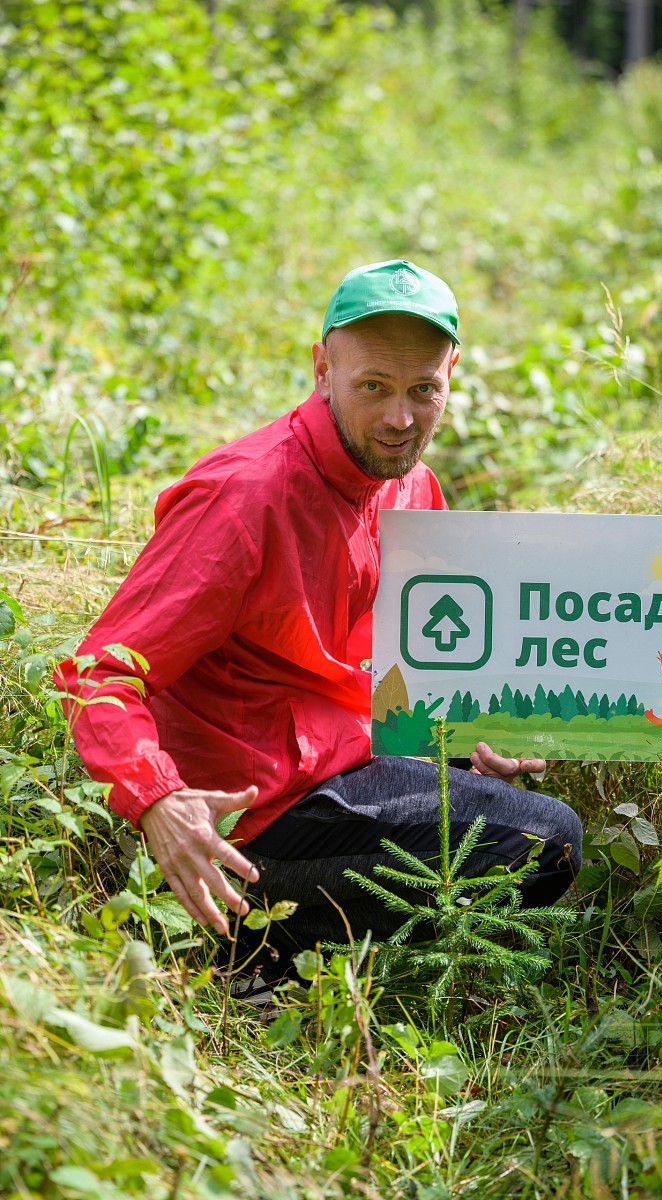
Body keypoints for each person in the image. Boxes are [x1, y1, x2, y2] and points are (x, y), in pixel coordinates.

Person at [58, 259, 582, 968]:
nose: (400, 419)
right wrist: (159, 801)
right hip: (248, 818)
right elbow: (99, 673)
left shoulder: (413, 489)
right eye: (374, 387)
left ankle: (306, 947)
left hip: (341, 763)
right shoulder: (242, 499)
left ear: (451, 377)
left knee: (528, 822)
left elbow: (413, 669)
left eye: (423, 390)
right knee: (546, 840)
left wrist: (468, 741)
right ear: (322, 370)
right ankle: (252, 950)